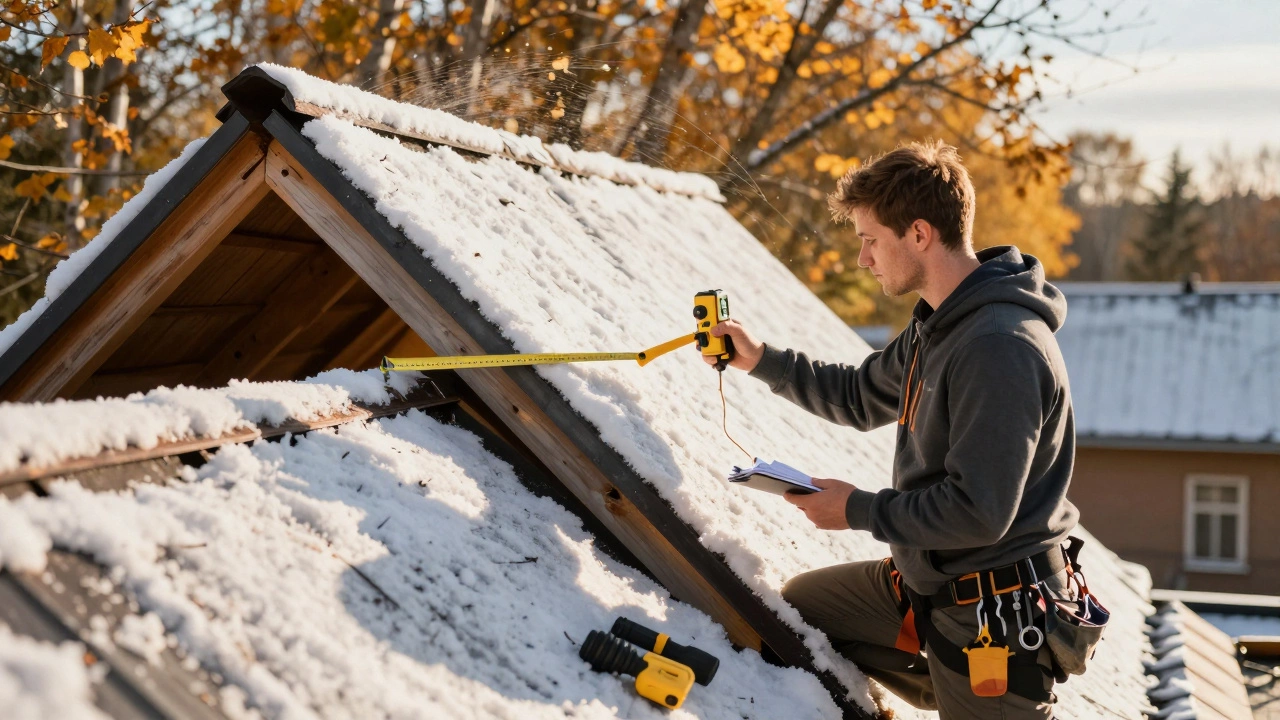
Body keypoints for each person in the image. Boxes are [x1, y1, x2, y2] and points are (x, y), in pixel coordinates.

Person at [703, 140, 1081, 718]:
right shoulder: (941, 321)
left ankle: (984, 692)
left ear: (921, 234)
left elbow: (979, 511)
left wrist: (858, 510)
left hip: (995, 612)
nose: (862, 259)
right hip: (932, 580)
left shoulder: (999, 346)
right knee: (802, 610)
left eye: (870, 240)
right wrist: (759, 359)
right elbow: (858, 396)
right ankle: (945, 676)